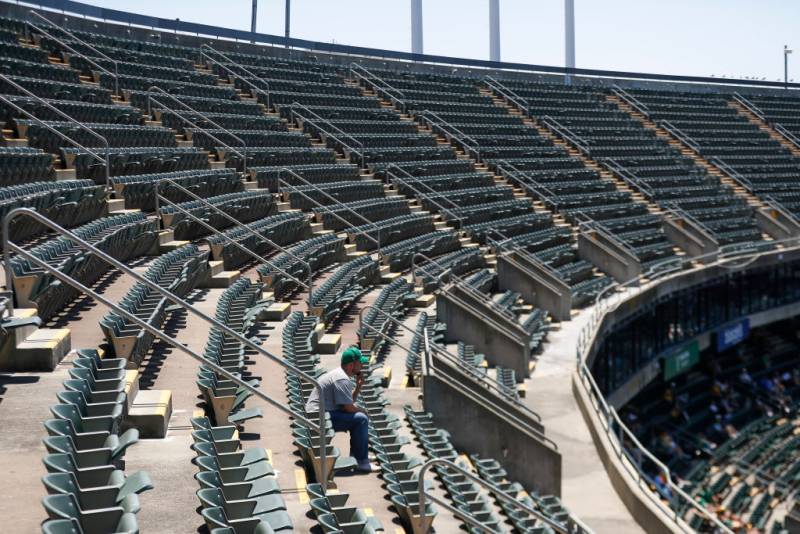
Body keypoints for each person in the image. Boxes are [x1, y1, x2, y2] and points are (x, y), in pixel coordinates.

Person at [305, 346, 376, 473]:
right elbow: (349, 408)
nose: (362, 366)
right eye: (360, 363)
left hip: (321, 414)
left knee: (359, 417)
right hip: (318, 417)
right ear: (351, 365)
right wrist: (363, 411)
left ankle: (359, 456)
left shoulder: (341, 374)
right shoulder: (342, 378)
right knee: (361, 419)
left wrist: (358, 387)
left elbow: (348, 403)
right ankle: (361, 461)